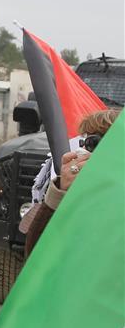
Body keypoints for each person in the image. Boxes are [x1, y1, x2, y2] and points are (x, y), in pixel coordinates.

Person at [25, 108, 120, 255]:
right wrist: (60, 192)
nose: (82, 150)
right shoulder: (82, 196)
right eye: (86, 142)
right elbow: (36, 255)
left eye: (94, 143)